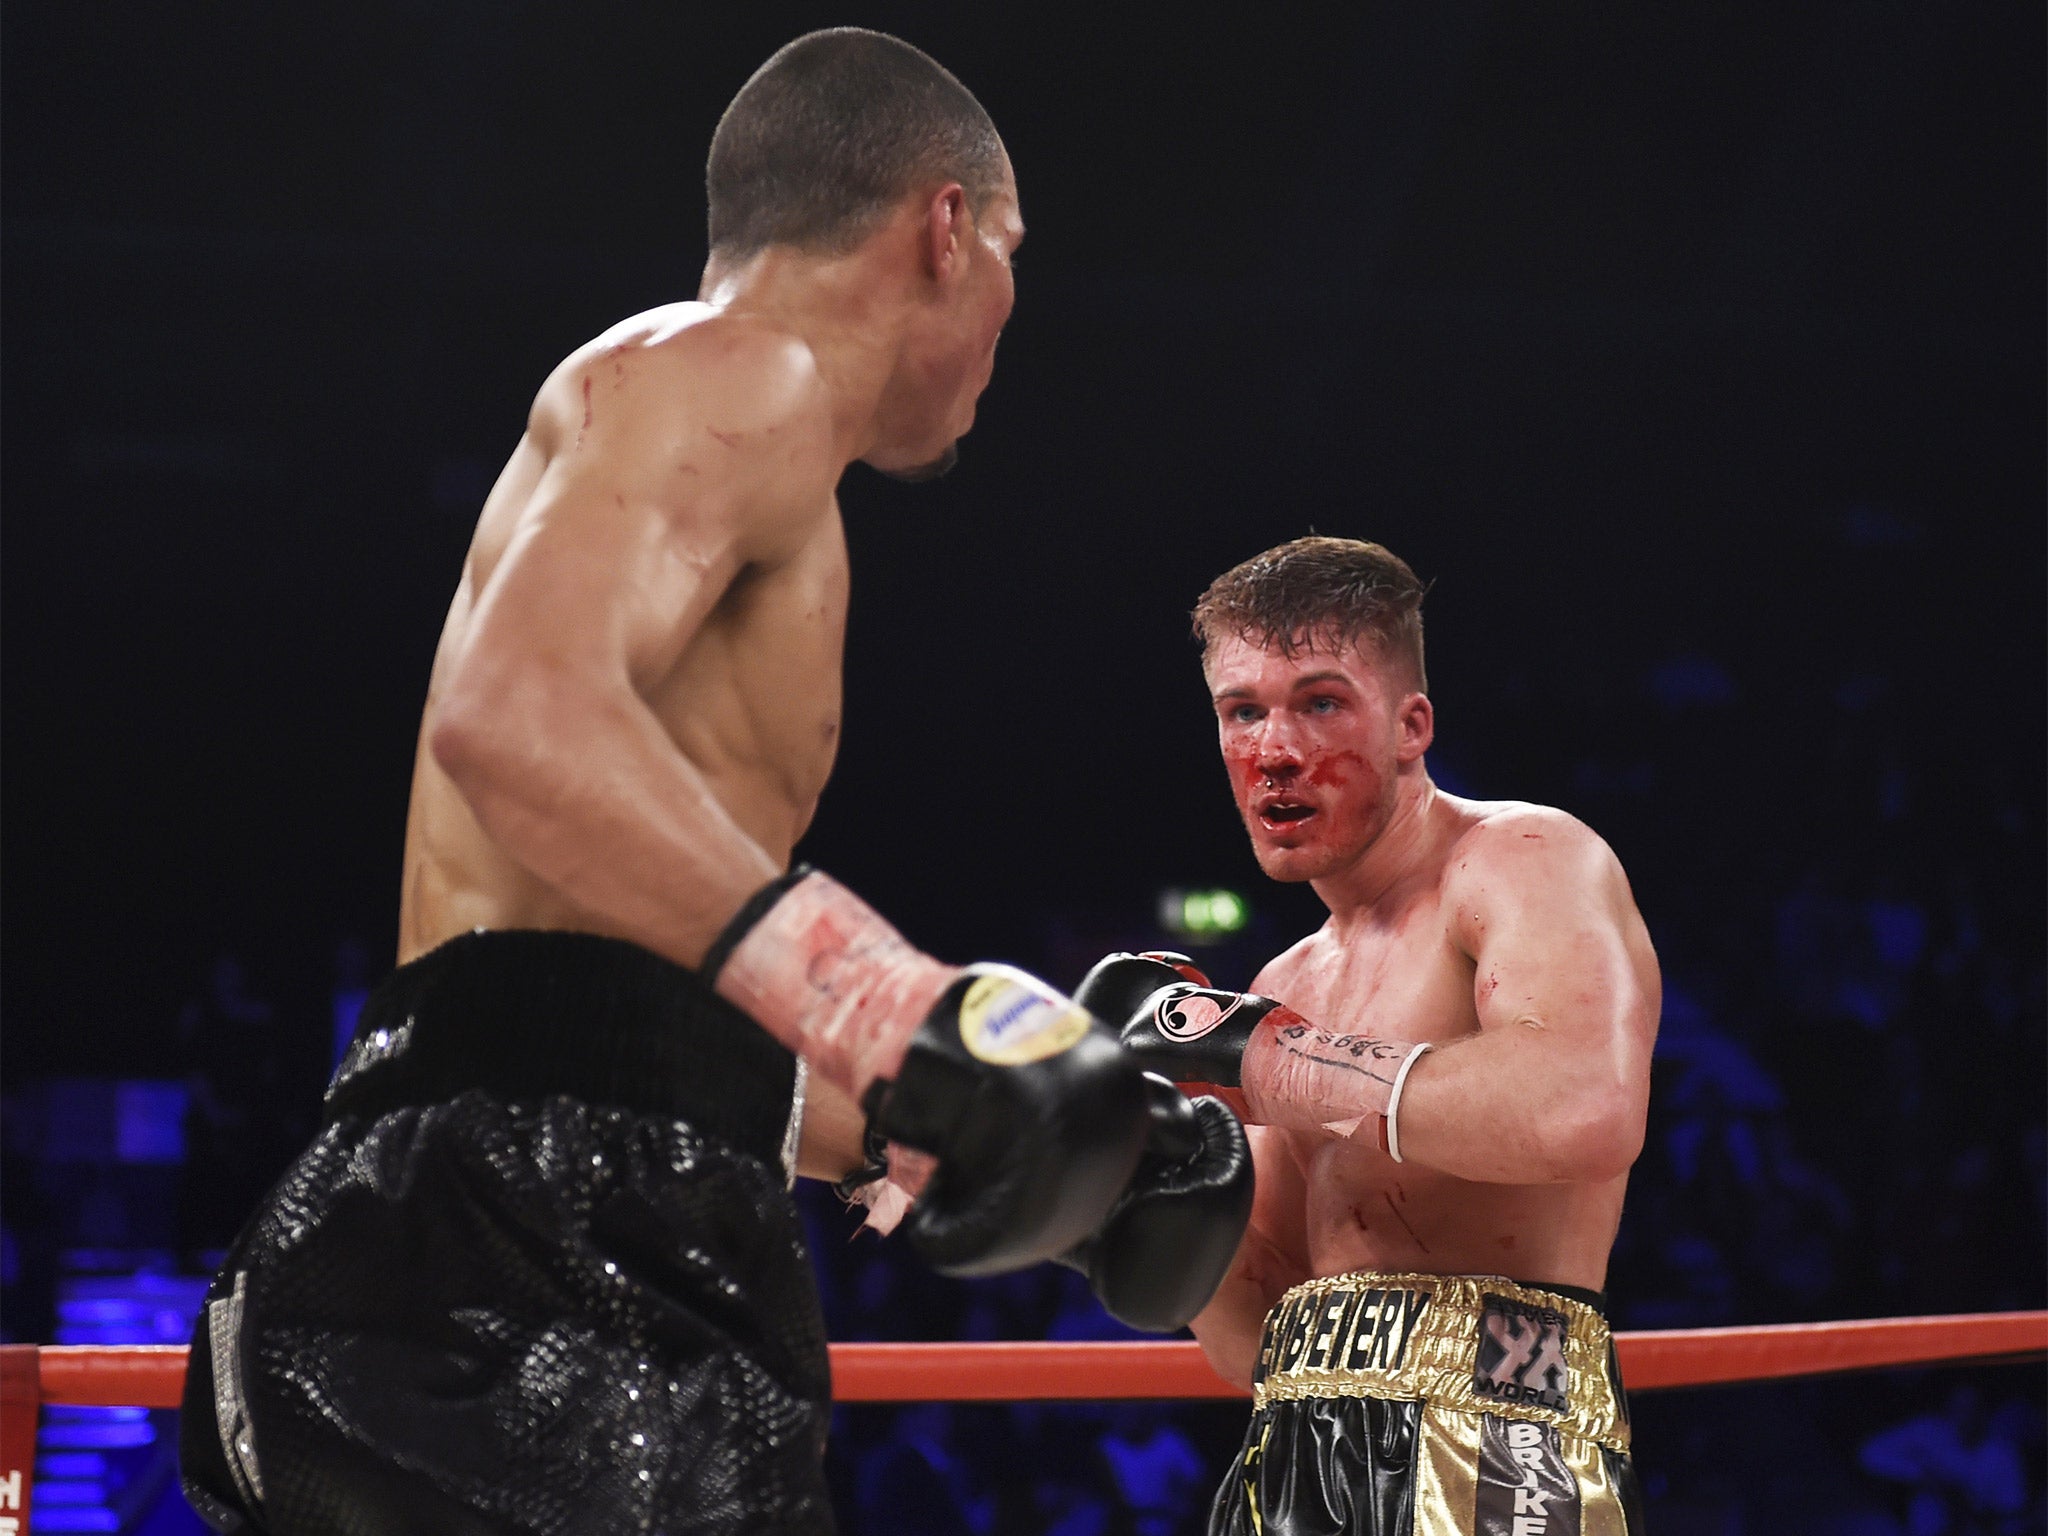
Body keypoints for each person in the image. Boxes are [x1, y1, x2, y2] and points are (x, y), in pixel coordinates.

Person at [178, 30, 1248, 1535]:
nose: (1013, 310)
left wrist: (937, 1130)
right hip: (523, 1260)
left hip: (515, 1219)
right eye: (1011, 251)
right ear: (945, 228)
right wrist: (890, 1004)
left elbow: (601, 1008)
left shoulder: (757, 461)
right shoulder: (741, 369)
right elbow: (514, 712)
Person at [1076, 537, 1658, 1534]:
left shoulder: (1522, 858)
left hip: (1499, 1429)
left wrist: (1261, 1057)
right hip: (1295, 1445)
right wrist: (1120, 1193)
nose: (1275, 749)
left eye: (1319, 703)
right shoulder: (1282, 981)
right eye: (1241, 712)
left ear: (1409, 725)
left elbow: (1580, 1108)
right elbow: (1254, 1332)